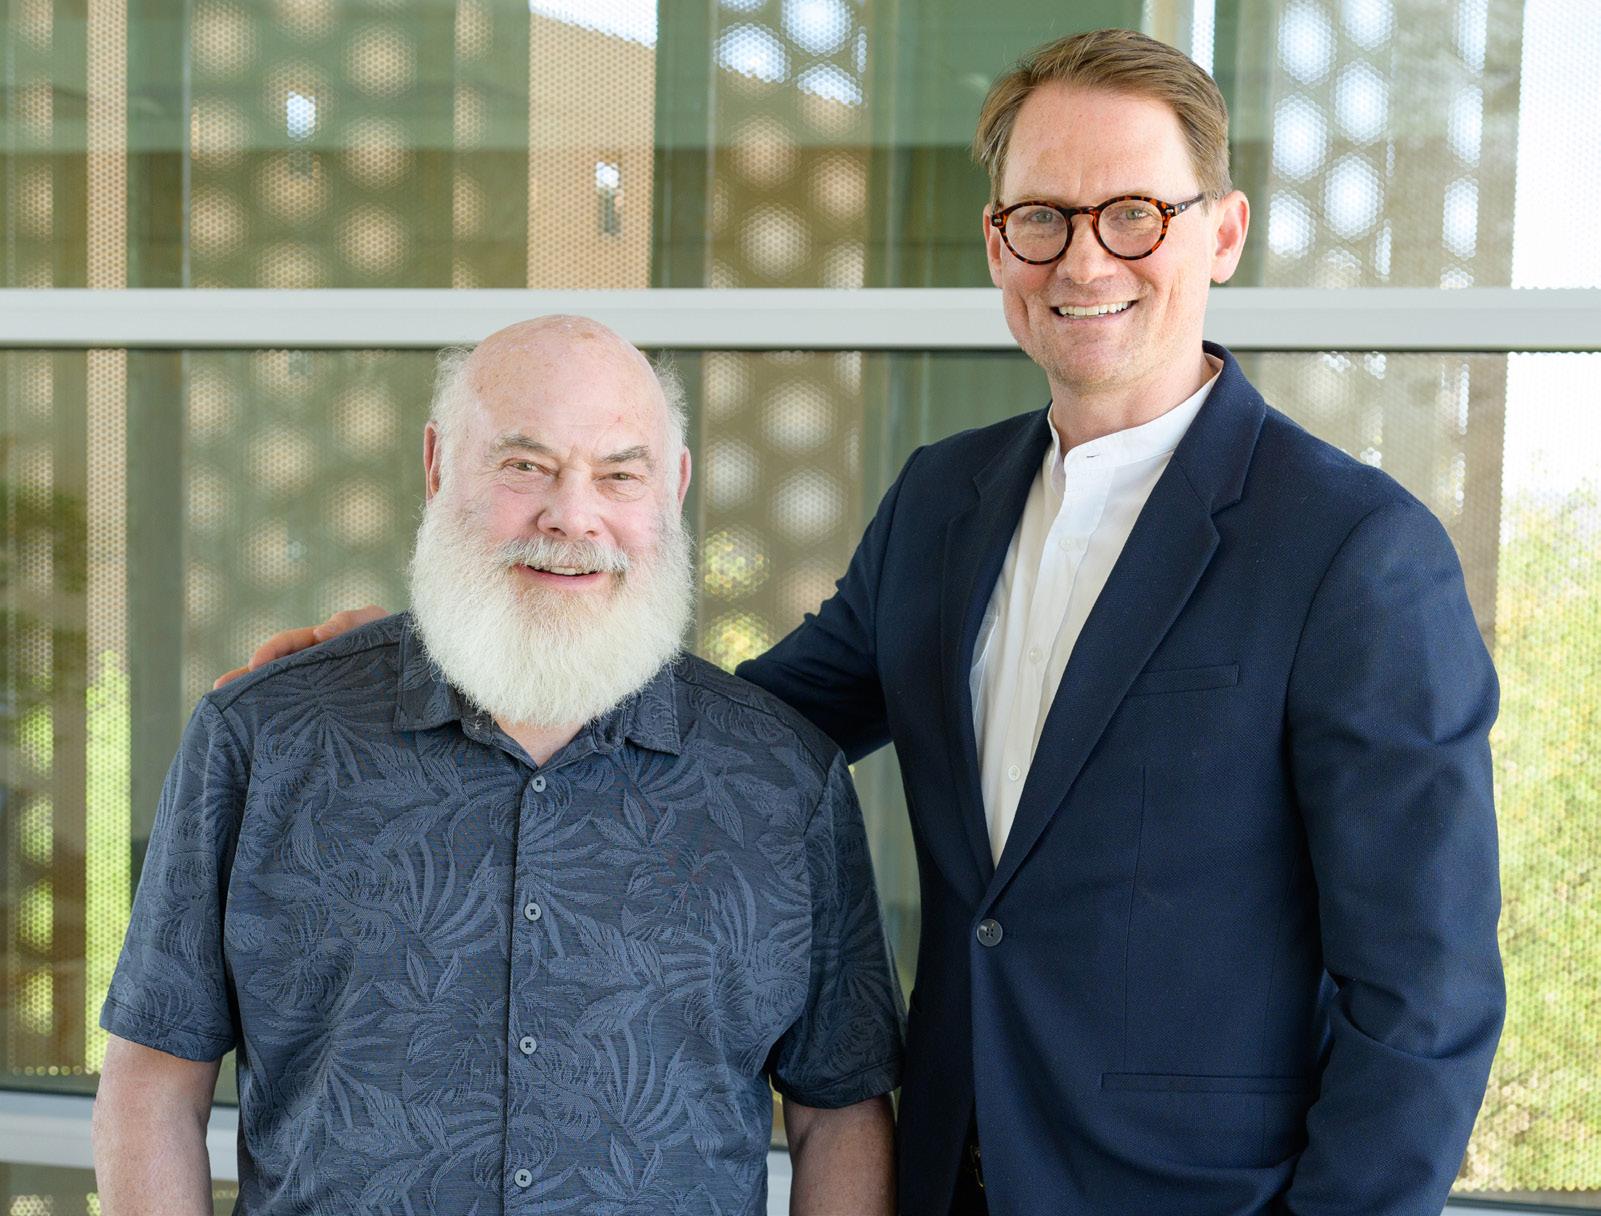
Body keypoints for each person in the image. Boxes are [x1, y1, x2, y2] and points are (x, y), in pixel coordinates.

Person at [230, 29, 1505, 1216]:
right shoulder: (944, 499)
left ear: (1220, 233)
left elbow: (1426, 996)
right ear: (996, 245)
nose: (1083, 261)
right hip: (944, 1179)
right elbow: (740, 732)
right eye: (1040, 218)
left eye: (1134, 214)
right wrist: (461, 647)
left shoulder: (1350, 551)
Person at [93, 316, 903, 1216]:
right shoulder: (265, 740)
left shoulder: (783, 780)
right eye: (524, 465)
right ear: (437, 466)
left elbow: (839, 1115)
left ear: (673, 488)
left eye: (619, 474)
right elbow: (154, 1081)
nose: (572, 516)